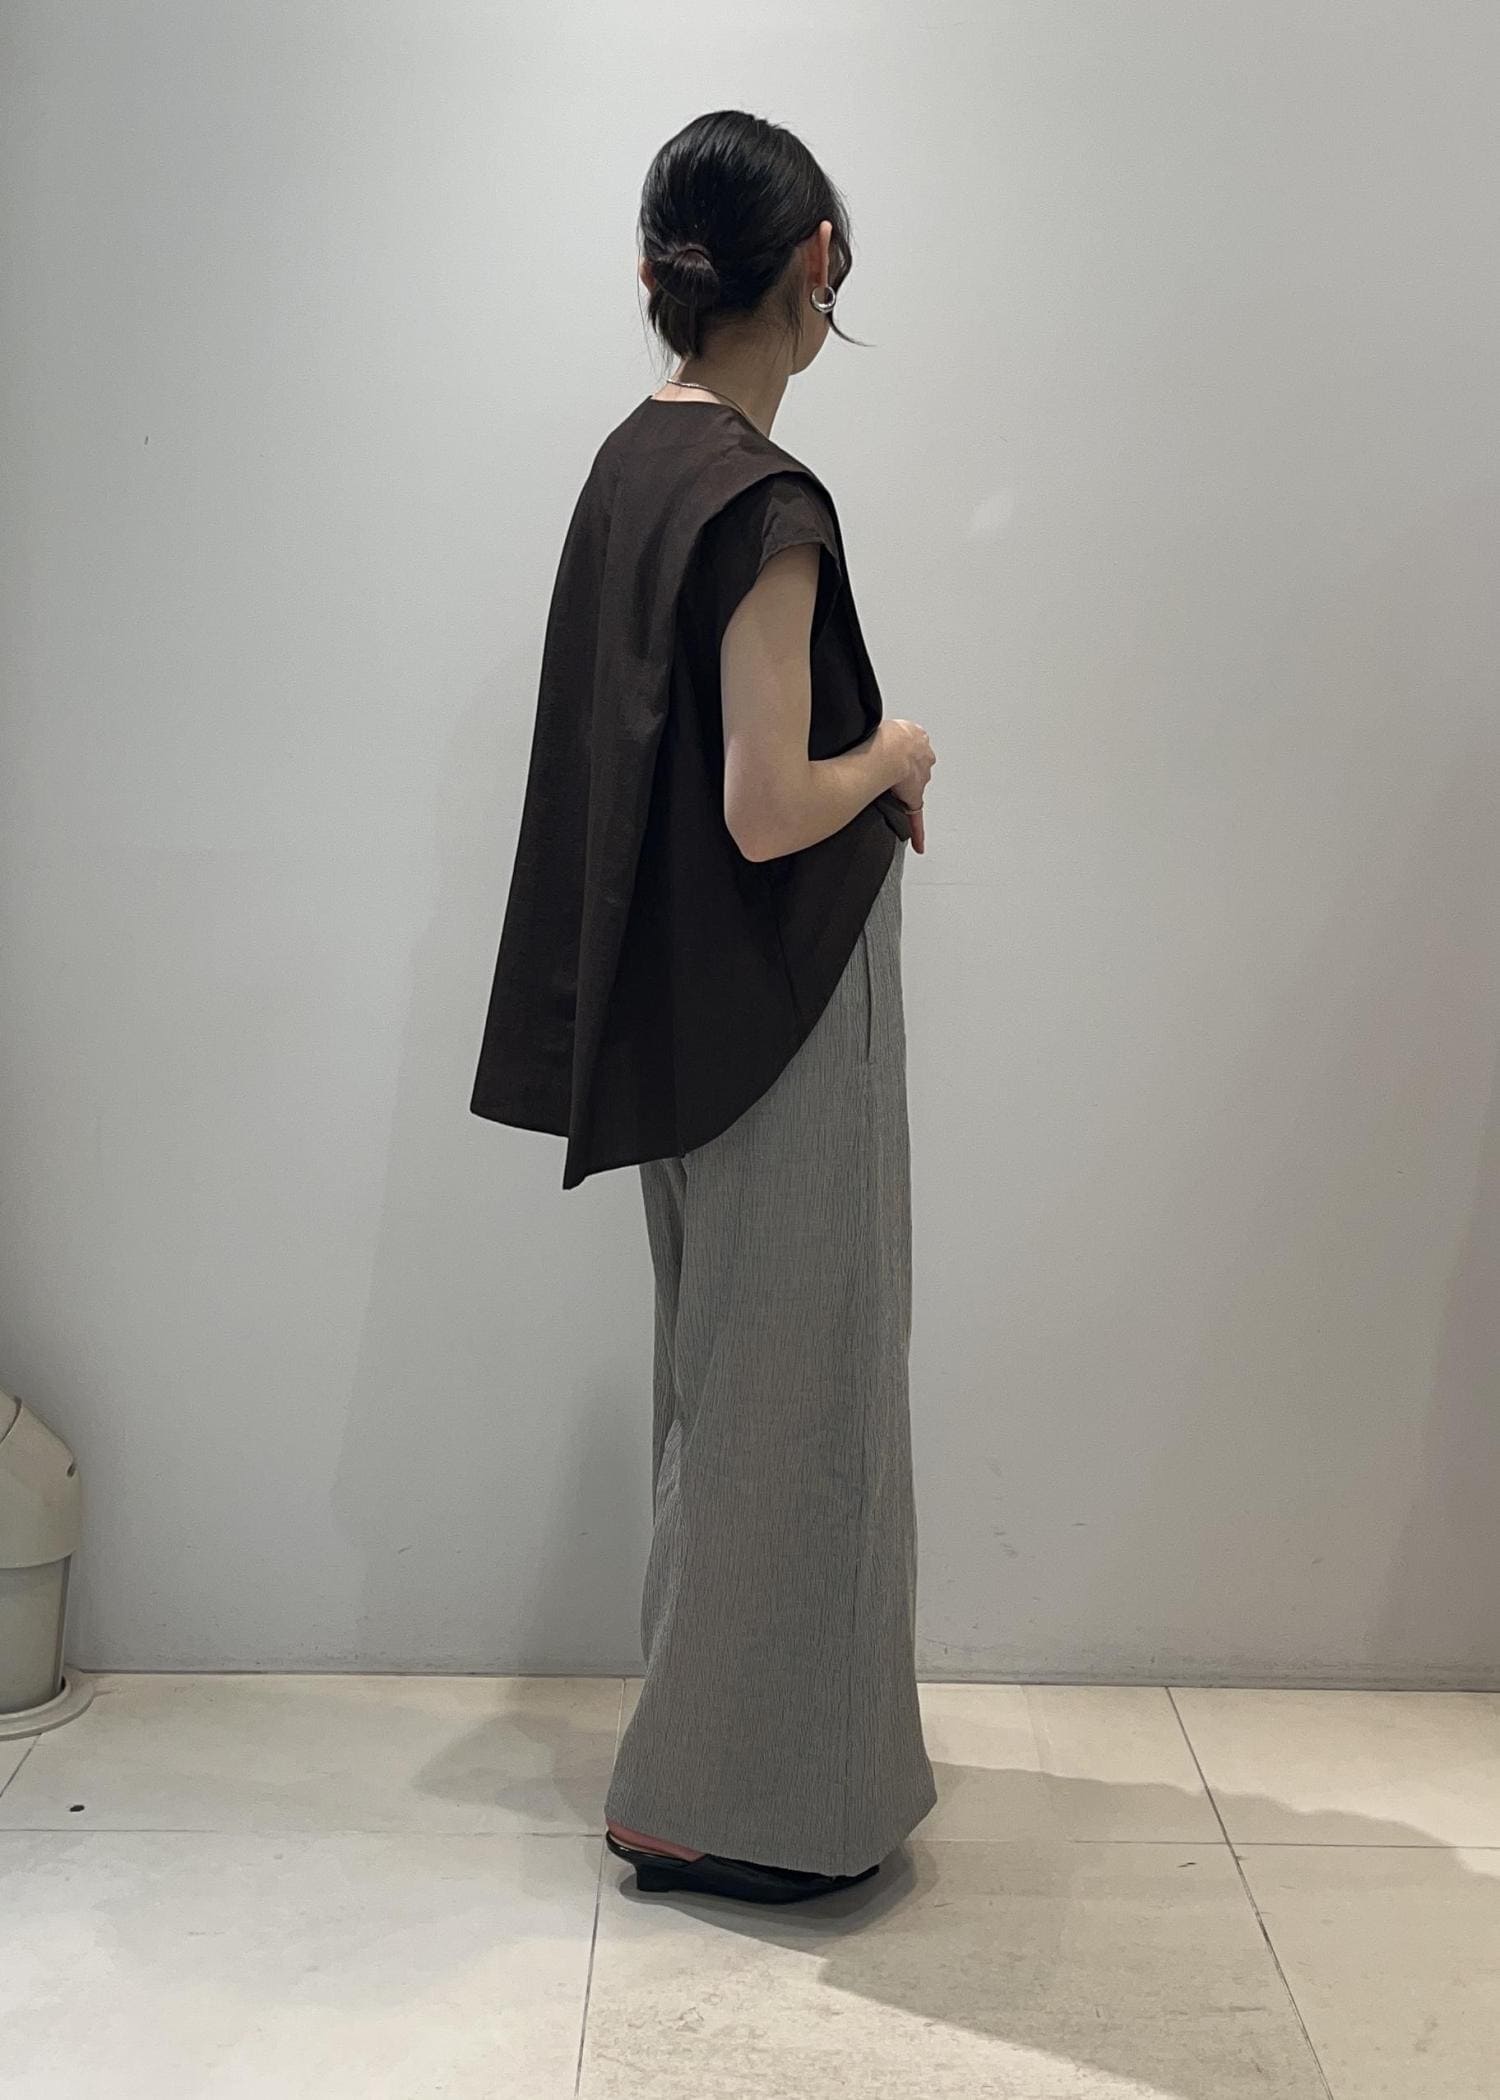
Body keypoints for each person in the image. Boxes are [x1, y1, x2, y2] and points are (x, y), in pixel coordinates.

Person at [469, 109, 938, 1904]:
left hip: (679, 1023)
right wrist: (894, 752)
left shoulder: (633, 464)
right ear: (812, 263)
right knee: (802, 1402)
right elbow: (764, 804)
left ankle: (705, 1766)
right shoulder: (765, 504)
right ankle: (738, 1803)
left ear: (657, 273)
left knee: (726, 1391)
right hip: (784, 1016)